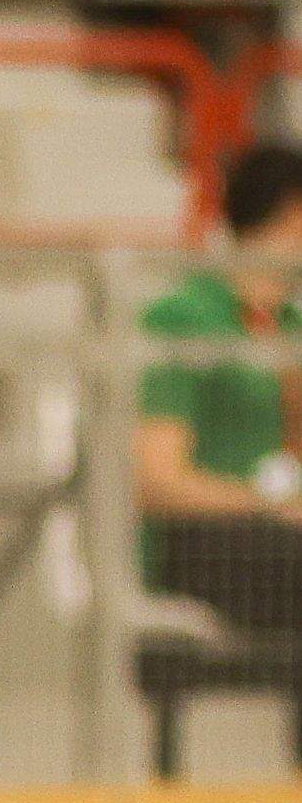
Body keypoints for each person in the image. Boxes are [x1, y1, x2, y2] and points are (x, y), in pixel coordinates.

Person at [135, 144, 302, 674]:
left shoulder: (290, 326)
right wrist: (261, 504)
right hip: (197, 545)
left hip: (276, 538)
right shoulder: (184, 315)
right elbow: (155, 480)